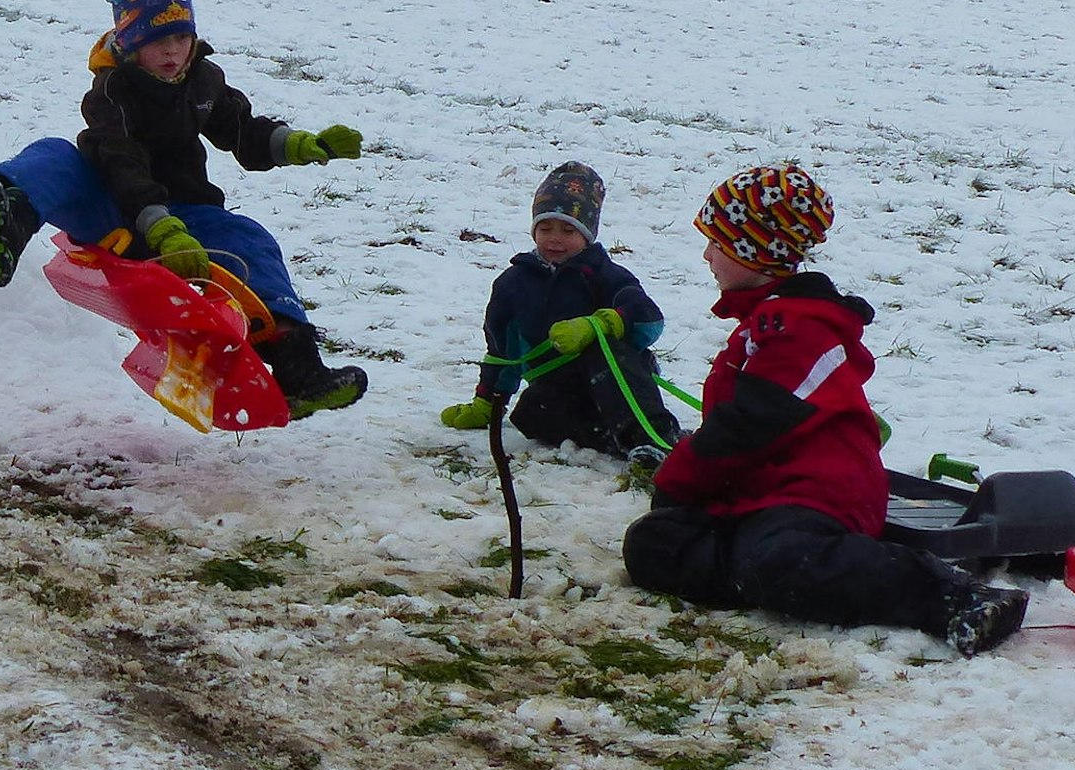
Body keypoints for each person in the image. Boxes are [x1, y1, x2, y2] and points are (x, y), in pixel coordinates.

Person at [621, 165, 1028, 656]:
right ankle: (755, 574)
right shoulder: (762, 321)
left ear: (758, 251)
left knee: (780, 557)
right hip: (758, 492)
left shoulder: (799, 327)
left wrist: (679, 478)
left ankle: (950, 596)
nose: (706, 254)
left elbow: (752, 422)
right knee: (653, 544)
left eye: (718, 243)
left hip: (817, 494)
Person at [0, 0, 367, 419]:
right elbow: (123, 162)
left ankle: (299, 370)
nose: (172, 51)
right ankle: (5, 221)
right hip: (110, 206)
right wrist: (160, 227)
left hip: (186, 212)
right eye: (157, 40)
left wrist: (299, 144)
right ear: (131, 43)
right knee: (54, 155)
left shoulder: (203, 80)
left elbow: (242, 130)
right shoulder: (111, 93)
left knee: (252, 240)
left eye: (181, 36)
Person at [440, 162, 681, 469]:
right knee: (529, 413)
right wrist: (488, 401)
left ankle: (654, 439)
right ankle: (609, 440)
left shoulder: (605, 274)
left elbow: (648, 318)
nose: (554, 239)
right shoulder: (512, 284)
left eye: (568, 230)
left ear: (588, 233)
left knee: (606, 358)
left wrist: (597, 325)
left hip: (616, 381)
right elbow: (502, 351)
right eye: (545, 228)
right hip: (559, 386)